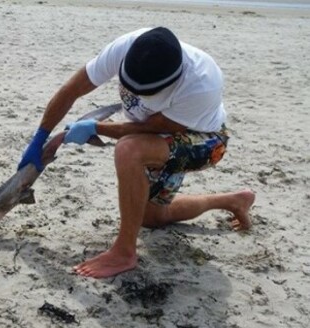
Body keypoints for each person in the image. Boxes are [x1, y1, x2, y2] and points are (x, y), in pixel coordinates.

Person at [17, 27, 255, 278]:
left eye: (148, 93)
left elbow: (153, 128)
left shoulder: (201, 84)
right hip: (156, 135)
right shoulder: (129, 47)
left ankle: (124, 252)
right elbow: (72, 89)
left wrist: (95, 128)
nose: (138, 96)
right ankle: (231, 200)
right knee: (151, 217)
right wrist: (40, 137)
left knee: (129, 149)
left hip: (206, 140)